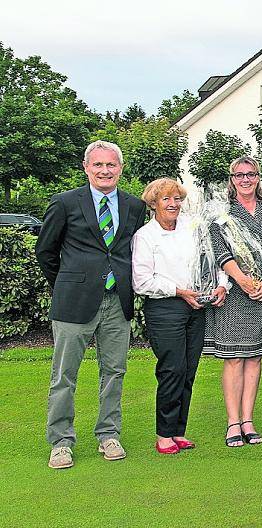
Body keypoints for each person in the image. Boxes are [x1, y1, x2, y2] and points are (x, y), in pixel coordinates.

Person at [36, 140, 147, 469]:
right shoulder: (65, 202)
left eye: (111, 165)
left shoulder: (134, 206)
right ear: (86, 168)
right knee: (64, 375)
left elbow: (132, 251)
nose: (104, 170)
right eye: (98, 164)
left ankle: (108, 434)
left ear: (120, 168)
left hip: (117, 302)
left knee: (114, 372)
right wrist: (68, 284)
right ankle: (60, 441)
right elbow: (46, 251)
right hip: (74, 303)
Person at [132, 178, 228, 454]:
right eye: (166, 199)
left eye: (177, 199)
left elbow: (211, 260)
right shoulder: (145, 236)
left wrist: (221, 284)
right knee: (172, 369)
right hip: (165, 308)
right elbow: (141, 281)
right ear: (154, 203)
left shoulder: (193, 227)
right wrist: (179, 291)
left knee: (188, 370)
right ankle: (164, 434)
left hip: (196, 305)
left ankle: (178, 431)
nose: (173, 204)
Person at [203, 155, 262, 448]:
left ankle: (248, 420)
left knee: (255, 357)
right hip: (234, 293)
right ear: (232, 180)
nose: (245, 179)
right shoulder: (222, 212)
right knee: (234, 358)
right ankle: (233, 422)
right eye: (239, 175)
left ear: (258, 178)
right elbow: (219, 250)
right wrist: (243, 280)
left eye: (250, 174)